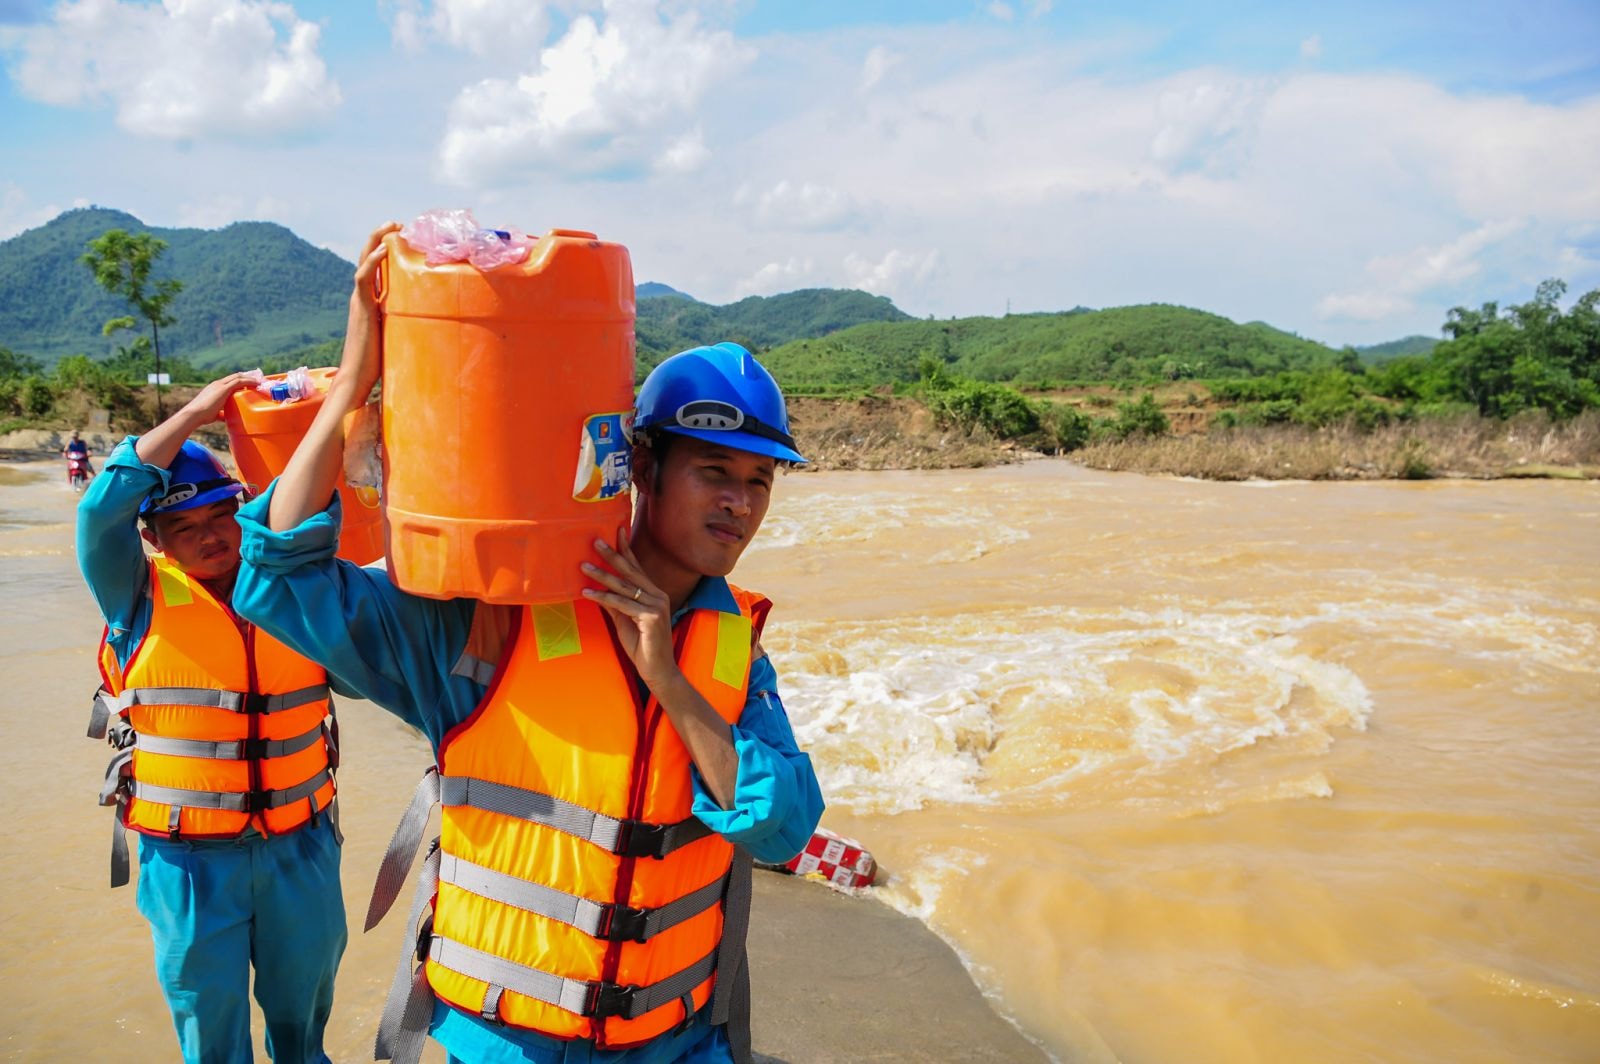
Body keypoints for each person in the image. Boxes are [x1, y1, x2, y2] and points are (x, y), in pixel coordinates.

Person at [232, 223, 825, 1064]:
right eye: (714, 474)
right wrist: (356, 383)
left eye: (757, 482)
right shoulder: (495, 617)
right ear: (641, 468)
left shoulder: (734, 649)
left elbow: (784, 827)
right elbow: (284, 579)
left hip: (678, 1040)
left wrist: (669, 679)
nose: (739, 504)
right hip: (506, 1041)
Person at [76, 376, 347, 1064]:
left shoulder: (294, 588)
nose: (211, 538)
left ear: (243, 509)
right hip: (189, 863)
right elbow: (98, 512)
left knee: (303, 1034)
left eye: (220, 516)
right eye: (184, 528)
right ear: (156, 541)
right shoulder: (133, 599)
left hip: (301, 849)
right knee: (213, 1043)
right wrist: (196, 414)